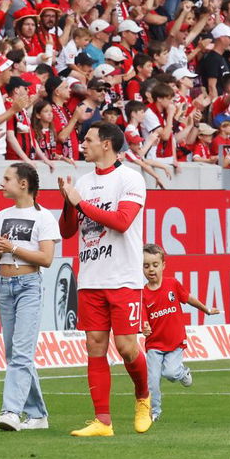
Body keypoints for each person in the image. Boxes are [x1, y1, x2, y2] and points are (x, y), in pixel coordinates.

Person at [59, 121, 152, 437]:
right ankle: (103, 421)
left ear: (107, 145)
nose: (82, 144)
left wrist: (79, 202)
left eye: (88, 140)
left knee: (127, 347)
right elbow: (68, 231)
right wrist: (67, 201)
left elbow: (123, 222)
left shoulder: (130, 179)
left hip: (123, 277)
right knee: (94, 345)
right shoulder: (83, 182)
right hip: (91, 278)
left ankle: (143, 397)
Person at [0, 162, 59, 432]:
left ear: (23, 184)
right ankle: (38, 415)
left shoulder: (44, 217)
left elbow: (47, 259)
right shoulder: (1, 215)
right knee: (14, 353)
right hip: (4, 285)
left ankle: (11, 411)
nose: (1, 183)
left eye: (7, 178)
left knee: (21, 353)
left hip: (29, 285)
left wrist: (12, 247)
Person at [140, 242, 218, 423]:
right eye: (146, 266)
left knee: (170, 373)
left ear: (163, 265)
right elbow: (142, 319)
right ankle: (155, 411)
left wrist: (205, 309)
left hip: (174, 343)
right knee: (152, 380)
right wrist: (144, 327)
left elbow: (188, 298)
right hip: (154, 345)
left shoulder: (172, 284)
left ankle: (183, 373)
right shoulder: (142, 294)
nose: (151, 269)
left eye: (155, 265)